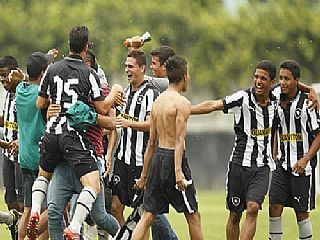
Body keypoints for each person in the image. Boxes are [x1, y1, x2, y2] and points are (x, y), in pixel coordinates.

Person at [27, 25, 123, 240]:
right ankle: (74, 227)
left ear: (68, 45)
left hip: (53, 136)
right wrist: (116, 91)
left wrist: (55, 106)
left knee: (44, 177)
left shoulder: (52, 70)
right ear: (85, 47)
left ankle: (35, 209)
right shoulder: (89, 75)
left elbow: (40, 102)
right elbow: (102, 109)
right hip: (74, 141)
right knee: (85, 191)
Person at [46, 49, 120, 240]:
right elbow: (45, 110)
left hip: (92, 157)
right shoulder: (65, 92)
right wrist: (49, 114)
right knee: (55, 211)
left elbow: (112, 123)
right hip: (65, 157)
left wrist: (91, 117)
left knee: (99, 217)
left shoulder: (101, 91)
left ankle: (124, 236)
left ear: (88, 68)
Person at [132, 56, 203, 240]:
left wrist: (143, 177)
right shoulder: (182, 104)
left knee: (148, 215)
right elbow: (180, 140)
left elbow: (151, 143)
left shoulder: (157, 103)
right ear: (184, 76)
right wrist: (178, 173)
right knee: (193, 215)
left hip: (157, 158)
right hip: (173, 159)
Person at [111, 49, 172, 239]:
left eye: (131, 66)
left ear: (142, 68)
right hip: (123, 158)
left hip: (140, 160)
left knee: (143, 214)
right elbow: (116, 120)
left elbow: (151, 125)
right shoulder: (126, 91)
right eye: (125, 66)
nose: (127, 70)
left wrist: (130, 123)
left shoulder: (151, 93)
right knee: (116, 207)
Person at [268, 60, 320, 240]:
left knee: (301, 212)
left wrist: (305, 159)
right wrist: (274, 155)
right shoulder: (274, 95)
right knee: (274, 206)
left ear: (296, 80)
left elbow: (318, 135)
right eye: (281, 78)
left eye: (287, 79)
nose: (282, 82)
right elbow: (275, 128)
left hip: (302, 167)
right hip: (281, 165)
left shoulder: (308, 104)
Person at [15, 52, 51, 240]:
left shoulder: (20, 90)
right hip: (41, 159)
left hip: (25, 158)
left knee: (28, 209)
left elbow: (27, 79)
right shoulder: (42, 96)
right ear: (44, 73)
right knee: (49, 209)